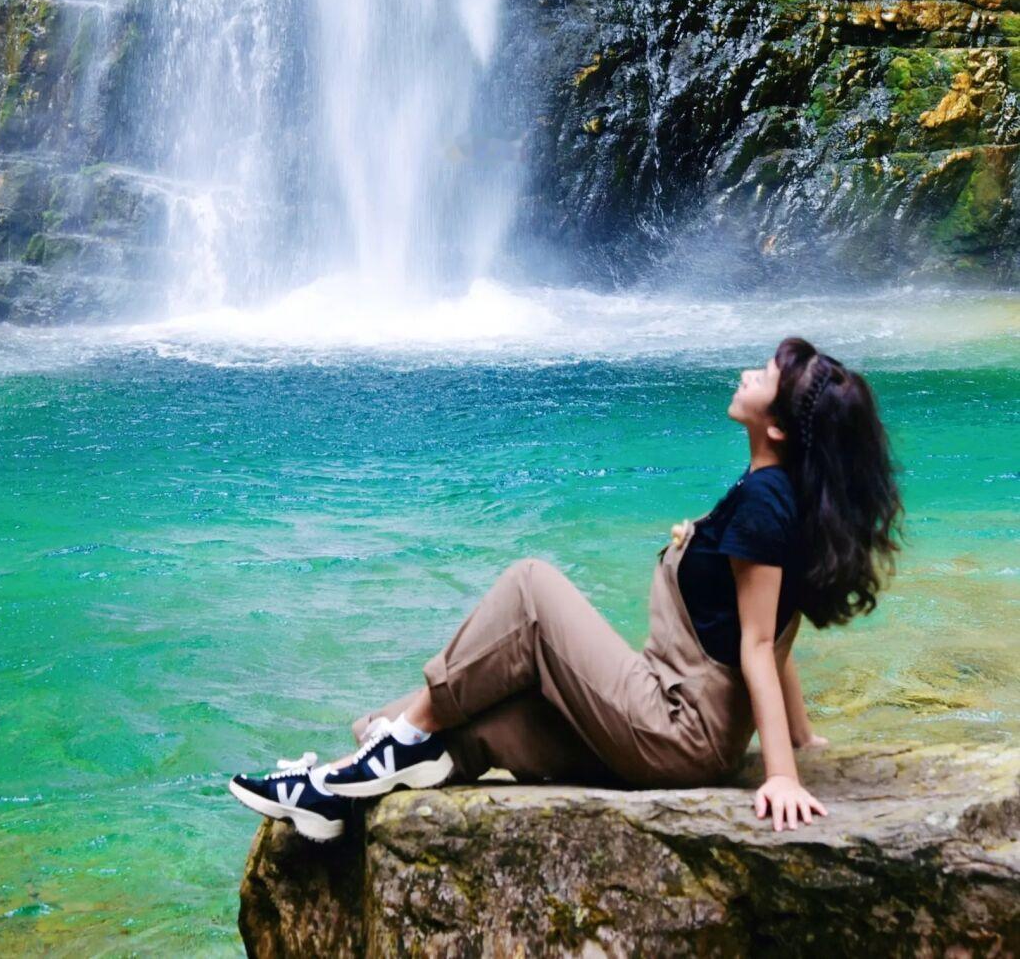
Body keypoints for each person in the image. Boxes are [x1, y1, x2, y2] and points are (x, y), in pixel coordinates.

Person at [229, 336, 902, 838]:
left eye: (764, 375)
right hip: (676, 722)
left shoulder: (766, 504)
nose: (747, 372)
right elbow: (781, 635)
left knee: (531, 588)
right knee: (491, 721)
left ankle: (389, 741)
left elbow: (760, 645)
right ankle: (336, 792)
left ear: (777, 425)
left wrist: (781, 771)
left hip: (676, 729)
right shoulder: (782, 499)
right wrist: (808, 742)